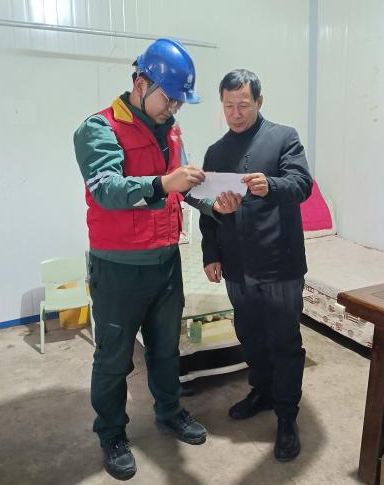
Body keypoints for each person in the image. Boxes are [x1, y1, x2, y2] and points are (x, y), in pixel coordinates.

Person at [73, 38, 240, 480]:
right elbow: (106, 190)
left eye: (180, 102)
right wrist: (163, 183)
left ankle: (169, 412)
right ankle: (111, 432)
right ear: (141, 83)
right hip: (118, 269)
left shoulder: (172, 132)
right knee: (114, 359)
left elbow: (184, 188)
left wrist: (215, 206)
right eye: (170, 98)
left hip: (165, 262)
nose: (174, 109)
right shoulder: (99, 128)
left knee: (166, 350)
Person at [199, 69, 312, 462]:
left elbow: (302, 184)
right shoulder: (216, 152)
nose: (236, 113)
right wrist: (210, 253)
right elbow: (208, 208)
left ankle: (287, 416)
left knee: (284, 342)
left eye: (243, 105)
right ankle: (262, 392)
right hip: (237, 265)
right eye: (228, 106)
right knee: (250, 336)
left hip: (280, 264)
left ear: (259, 102)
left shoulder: (283, 138)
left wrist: (272, 184)